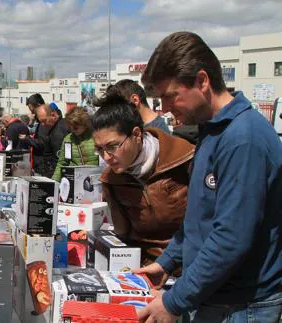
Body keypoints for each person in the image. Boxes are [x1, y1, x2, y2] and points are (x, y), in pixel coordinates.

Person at [136, 31, 282, 323]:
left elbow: (231, 237)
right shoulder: (213, 131)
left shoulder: (243, 139)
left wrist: (174, 302)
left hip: (240, 306)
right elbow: (200, 218)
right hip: (214, 296)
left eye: (169, 95)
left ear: (202, 81)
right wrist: (167, 261)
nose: (163, 108)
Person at [91, 95, 193, 267]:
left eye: (112, 146)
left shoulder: (186, 159)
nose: (106, 157)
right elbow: (122, 235)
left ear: (137, 134)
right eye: (99, 149)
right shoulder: (111, 180)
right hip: (145, 268)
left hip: (190, 266)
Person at [99, 79, 170, 133]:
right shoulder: (133, 125)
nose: (118, 112)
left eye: (120, 106)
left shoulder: (159, 132)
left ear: (135, 100)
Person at [52, 106, 99, 181]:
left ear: (84, 124)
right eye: (70, 127)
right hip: (75, 181)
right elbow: (62, 163)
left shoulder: (96, 136)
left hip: (95, 180)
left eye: (76, 127)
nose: (73, 130)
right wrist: (54, 182)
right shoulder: (68, 139)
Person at [25, 103, 69, 178]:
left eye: (44, 121)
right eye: (41, 121)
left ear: (53, 115)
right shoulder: (53, 128)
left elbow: (61, 159)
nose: (42, 124)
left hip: (57, 174)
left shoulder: (60, 130)